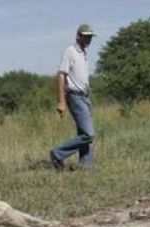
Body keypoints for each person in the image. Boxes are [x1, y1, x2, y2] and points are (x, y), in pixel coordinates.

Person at [50, 24, 96, 170]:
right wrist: (61, 102)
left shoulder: (83, 53)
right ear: (78, 36)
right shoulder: (70, 51)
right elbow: (61, 75)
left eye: (90, 36)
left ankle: (86, 167)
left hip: (85, 97)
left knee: (84, 133)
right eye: (86, 36)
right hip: (75, 96)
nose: (88, 39)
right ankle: (57, 154)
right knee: (89, 134)